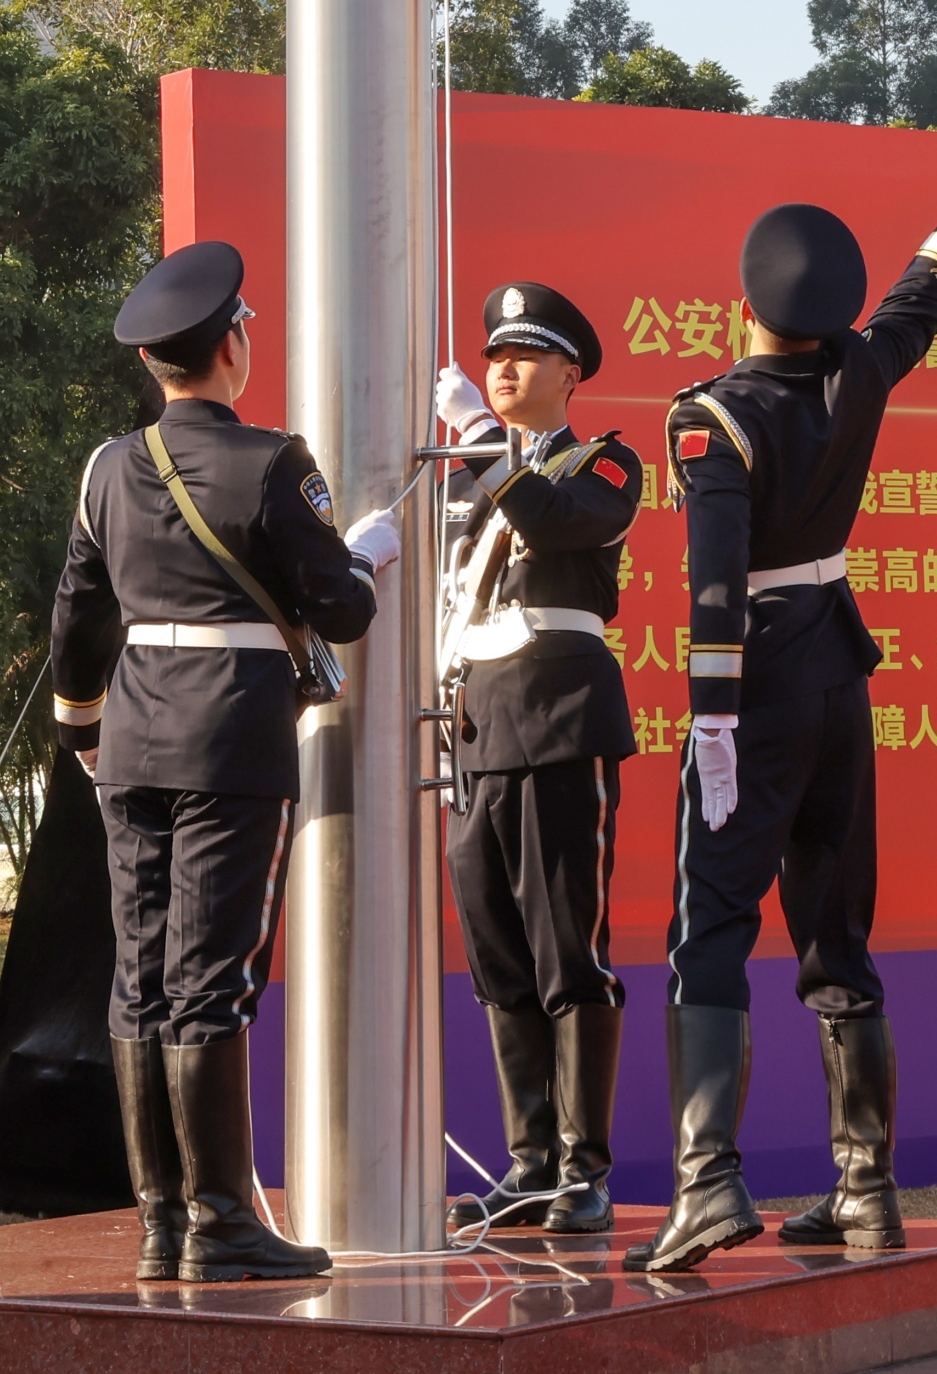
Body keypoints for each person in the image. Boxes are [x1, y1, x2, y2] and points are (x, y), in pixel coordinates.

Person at [628, 68, 937, 1274]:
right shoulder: (862, 369)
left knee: (709, 930)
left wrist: (716, 727)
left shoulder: (711, 417)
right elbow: (936, 275)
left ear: (746, 299)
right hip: (840, 666)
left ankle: (708, 1179)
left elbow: (716, 594)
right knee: (837, 935)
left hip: (760, 687)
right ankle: (866, 1188)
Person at [49, 240, 395, 1284]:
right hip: (233, 739)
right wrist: (365, 553)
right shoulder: (271, 460)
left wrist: (82, 728)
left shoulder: (108, 466)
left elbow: (77, 611)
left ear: (156, 363)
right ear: (232, 346)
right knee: (211, 981)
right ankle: (223, 1220)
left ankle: (162, 1221)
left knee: (140, 981)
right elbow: (340, 605)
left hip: (133, 737)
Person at [429, 284, 644, 1236]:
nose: (503, 369)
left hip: (560, 719)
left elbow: (560, 524)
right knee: (498, 955)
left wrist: (484, 440)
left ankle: (584, 1173)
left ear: (571, 375)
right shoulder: (467, 483)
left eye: (526, 355)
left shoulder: (607, 463)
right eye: (493, 356)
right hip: (478, 727)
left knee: (569, 950)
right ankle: (529, 1164)